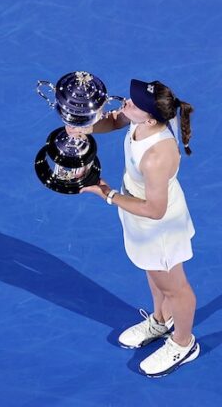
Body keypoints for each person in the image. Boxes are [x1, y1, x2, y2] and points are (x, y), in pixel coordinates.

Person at [75, 79, 198, 378]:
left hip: (160, 226)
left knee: (174, 287)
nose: (124, 104)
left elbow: (155, 210)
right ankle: (161, 319)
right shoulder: (139, 119)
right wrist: (85, 128)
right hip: (138, 212)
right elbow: (116, 120)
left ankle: (184, 343)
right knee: (153, 274)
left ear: (151, 117)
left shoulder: (158, 155)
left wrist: (107, 194)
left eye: (133, 103)